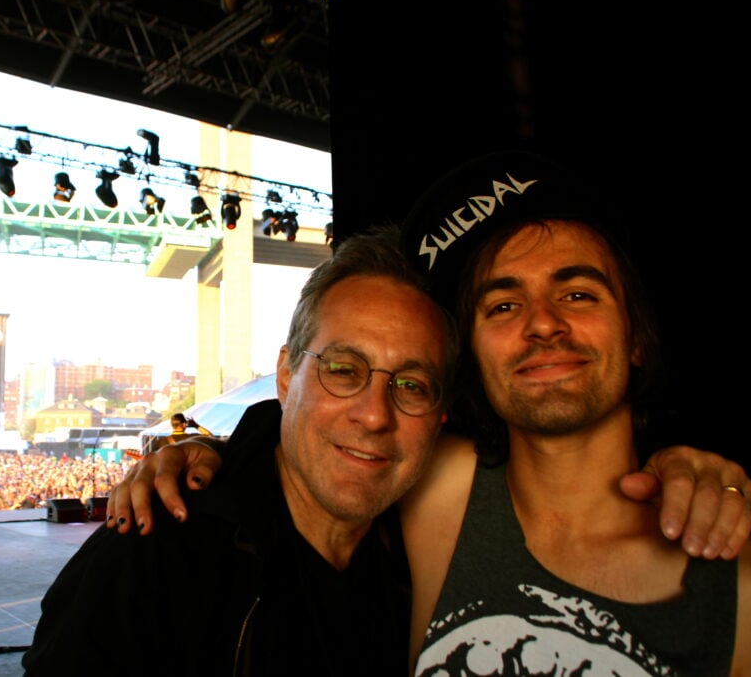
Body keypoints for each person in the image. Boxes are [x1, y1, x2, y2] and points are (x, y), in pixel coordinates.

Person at [112, 152, 751, 674]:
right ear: (476, 357)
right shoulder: (439, 491)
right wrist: (200, 454)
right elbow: (309, 459)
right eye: (502, 305)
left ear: (637, 334)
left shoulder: (744, 592)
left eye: (579, 293)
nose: (542, 323)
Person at [23, 224, 457, 675]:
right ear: (285, 377)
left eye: (412, 386)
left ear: (442, 413)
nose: (374, 416)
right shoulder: (153, 557)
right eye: (343, 370)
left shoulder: (433, 554)